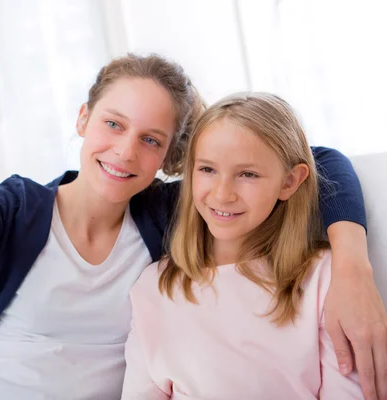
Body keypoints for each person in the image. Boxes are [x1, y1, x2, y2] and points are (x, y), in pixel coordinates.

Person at [0, 54, 386, 399]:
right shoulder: (20, 206)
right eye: (113, 123)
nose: (126, 151)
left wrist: (352, 266)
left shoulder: (170, 212)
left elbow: (320, 160)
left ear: (168, 157)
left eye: (151, 140)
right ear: (84, 119)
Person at [121, 92, 365, 399]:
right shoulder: (154, 287)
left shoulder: (325, 279)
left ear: (289, 182)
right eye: (207, 169)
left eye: (247, 174)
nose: (223, 194)